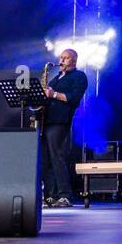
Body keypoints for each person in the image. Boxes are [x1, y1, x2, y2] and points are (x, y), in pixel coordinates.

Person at [41, 48, 87, 207]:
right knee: (45, 160)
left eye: (65, 58)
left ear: (74, 60)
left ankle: (65, 195)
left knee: (57, 157)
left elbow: (74, 99)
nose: (61, 61)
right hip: (46, 121)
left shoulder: (79, 76)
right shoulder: (56, 78)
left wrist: (53, 94)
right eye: (61, 58)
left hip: (60, 121)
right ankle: (50, 196)